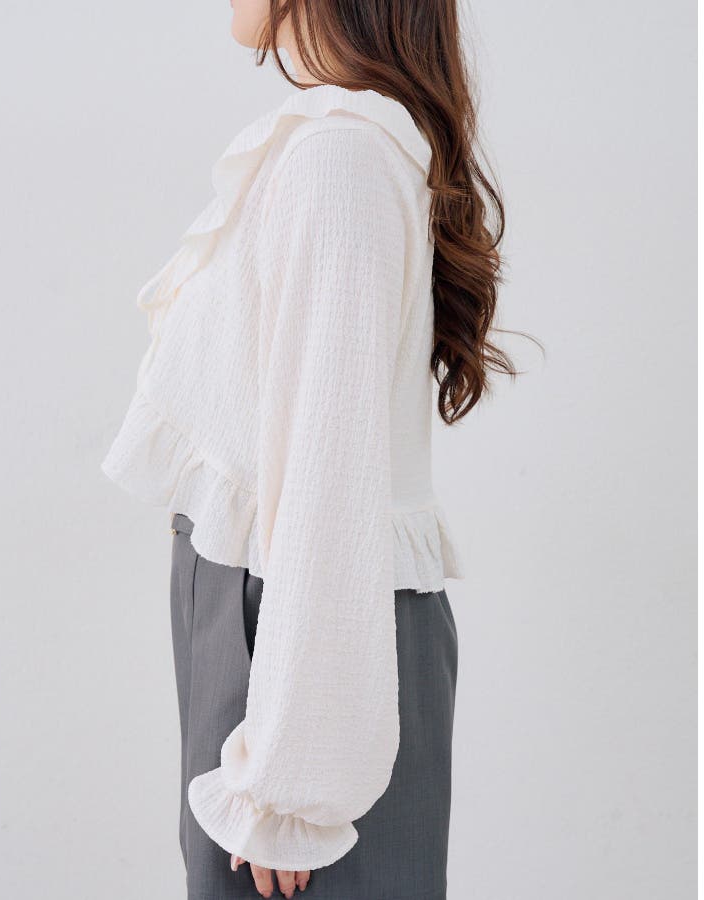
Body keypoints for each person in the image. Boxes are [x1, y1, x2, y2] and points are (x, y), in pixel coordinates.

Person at [102, 1, 512, 897]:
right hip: (282, 626)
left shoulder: (338, 162)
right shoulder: (331, 150)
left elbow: (332, 476)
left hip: (305, 645)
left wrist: (293, 788)